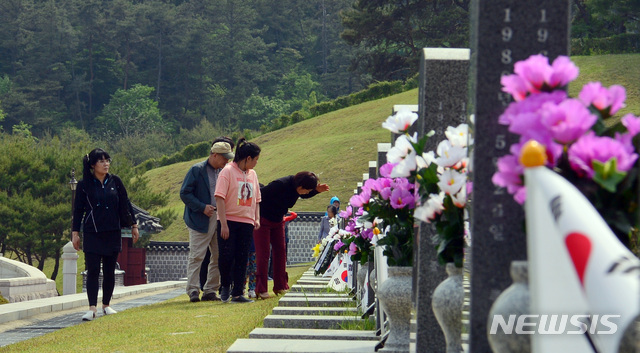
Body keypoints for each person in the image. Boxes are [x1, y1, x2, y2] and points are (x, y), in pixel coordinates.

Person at [71, 148, 138, 321]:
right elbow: (78, 210)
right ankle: (92, 308)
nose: (106, 164)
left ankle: (106, 305)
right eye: (101, 161)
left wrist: (134, 225)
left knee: (109, 270)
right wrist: (75, 233)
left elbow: (125, 202)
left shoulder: (115, 181)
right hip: (93, 232)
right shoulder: (84, 185)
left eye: (107, 160)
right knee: (93, 270)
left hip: (112, 231)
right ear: (93, 165)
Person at [255, 172, 329, 299]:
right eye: (308, 190)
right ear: (301, 186)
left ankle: (280, 285)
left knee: (281, 251)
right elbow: (259, 196)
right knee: (264, 253)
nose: (307, 193)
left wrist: (316, 191)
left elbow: (303, 194)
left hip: (278, 221)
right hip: (263, 220)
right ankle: (261, 289)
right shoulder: (279, 184)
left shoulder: (297, 188)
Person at [180, 137, 235, 302]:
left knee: (219, 255)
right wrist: (202, 207)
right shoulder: (197, 170)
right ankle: (193, 290)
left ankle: (211, 290)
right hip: (199, 219)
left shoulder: (223, 171)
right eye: (224, 157)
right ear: (214, 155)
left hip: (219, 218)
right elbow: (184, 193)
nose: (226, 161)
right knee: (197, 255)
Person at [215, 138, 262, 303]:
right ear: (248, 158)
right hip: (228, 221)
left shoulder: (253, 175)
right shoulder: (227, 171)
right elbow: (219, 198)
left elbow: (257, 199)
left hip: (246, 222)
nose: (256, 163)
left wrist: (256, 218)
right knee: (227, 256)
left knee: (243, 257)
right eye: (255, 159)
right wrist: (224, 224)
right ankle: (226, 285)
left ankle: (237, 293)